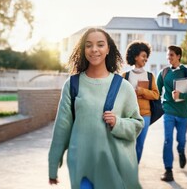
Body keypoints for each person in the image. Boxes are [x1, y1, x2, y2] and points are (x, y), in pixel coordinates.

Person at [48, 28, 144, 189]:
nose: (94, 50)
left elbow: (137, 124)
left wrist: (117, 123)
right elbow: (62, 128)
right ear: (83, 50)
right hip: (82, 165)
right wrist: (53, 165)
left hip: (114, 167)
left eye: (100, 45)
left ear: (108, 49)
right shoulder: (72, 85)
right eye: (88, 45)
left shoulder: (123, 87)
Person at [157, 45, 187, 182]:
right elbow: (156, 93)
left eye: (171, 55)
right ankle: (168, 170)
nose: (169, 58)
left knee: (181, 140)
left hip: (183, 113)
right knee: (167, 140)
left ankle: (181, 151)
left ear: (178, 56)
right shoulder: (164, 73)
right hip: (168, 111)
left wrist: (182, 95)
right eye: (168, 55)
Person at [122, 41, 160, 163]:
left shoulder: (150, 76)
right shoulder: (125, 76)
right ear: (135, 57)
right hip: (129, 116)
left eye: (146, 56)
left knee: (139, 146)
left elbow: (156, 95)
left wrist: (142, 91)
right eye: (143, 56)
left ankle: (133, 170)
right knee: (128, 145)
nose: (145, 59)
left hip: (145, 116)